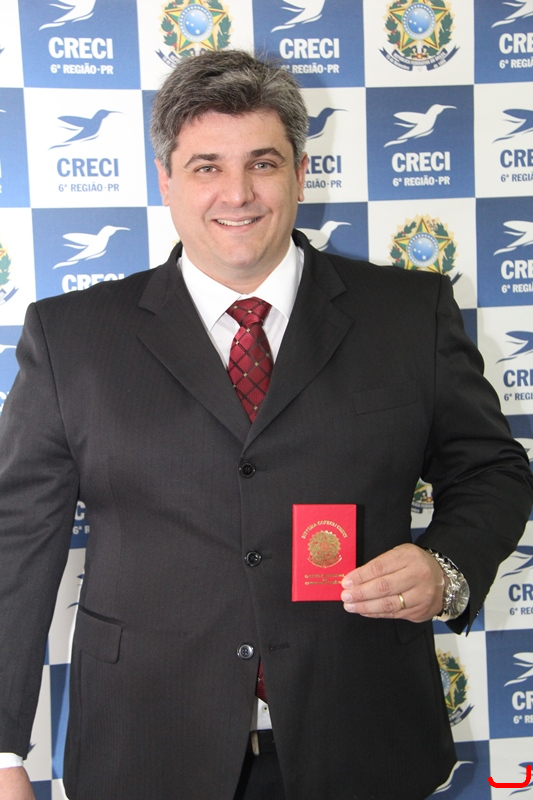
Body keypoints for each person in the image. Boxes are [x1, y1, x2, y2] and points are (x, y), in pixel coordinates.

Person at [0, 49, 531, 800]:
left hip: (364, 736)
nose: (238, 193)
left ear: (301, 173)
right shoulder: (72, 338)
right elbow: (16, 542)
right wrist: (2, 752)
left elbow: (492, 471)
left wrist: (445, 568)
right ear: (166, 180)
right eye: (206, 167)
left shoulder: (408, 315)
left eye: (263, 163)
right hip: (146, 746)